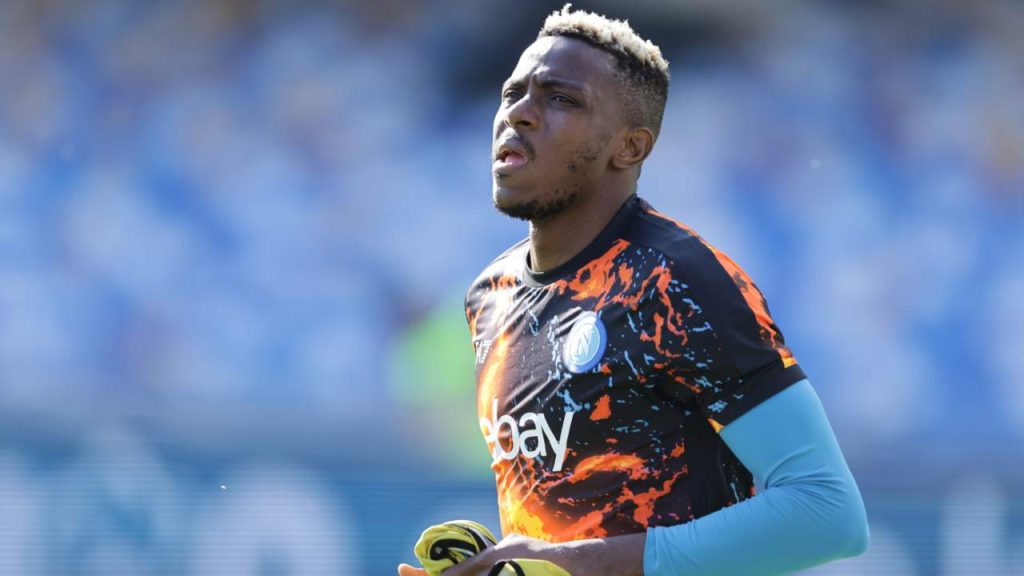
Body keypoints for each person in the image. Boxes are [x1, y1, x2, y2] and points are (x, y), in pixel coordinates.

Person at [400, 5, 869, 575]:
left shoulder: (678, 281)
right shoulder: (490, 297)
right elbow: (568, 539)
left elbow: (828, 511)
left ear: (629, 148)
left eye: (560, 99)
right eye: (512, 93)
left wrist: (583, 563)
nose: (518, 113)